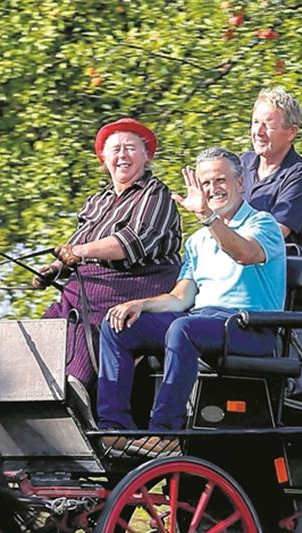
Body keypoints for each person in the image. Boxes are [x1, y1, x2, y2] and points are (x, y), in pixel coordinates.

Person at [96, 147, 286, 456]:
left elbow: (244, 253)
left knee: (183, 329)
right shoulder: (197, 241)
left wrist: (207, 217)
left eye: (220, 180)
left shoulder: (263, 224)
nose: (213, 190)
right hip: (203, 320)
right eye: (205, 184)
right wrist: (140, 305)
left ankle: (166, 432)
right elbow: (180, 297)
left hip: (251, 326)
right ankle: (114, 428)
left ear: (240, 184)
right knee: (118, 325)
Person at [32, 117, 182, 399]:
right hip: (86, 286)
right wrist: (53, 268)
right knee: (52, 320)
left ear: (146, 155)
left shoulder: (155, 193)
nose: (122, 155)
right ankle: (38, 388)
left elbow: (132, 244)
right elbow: (76, 244)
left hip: (135, 285)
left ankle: (76, 387)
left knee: (87, 320)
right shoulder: (97, 200)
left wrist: (79, 252)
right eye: (115, 149)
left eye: (130, 148)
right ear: (104, 159)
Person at [240, 86, 302, 385]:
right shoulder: (241, 166)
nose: (258, 131)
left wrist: (229, 238)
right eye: (255, 122)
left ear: (291, 132)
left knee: (281, 396)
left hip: (292, 309)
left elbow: (274, 235)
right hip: (244, 301)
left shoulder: (300, 176)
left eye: (269, 125)